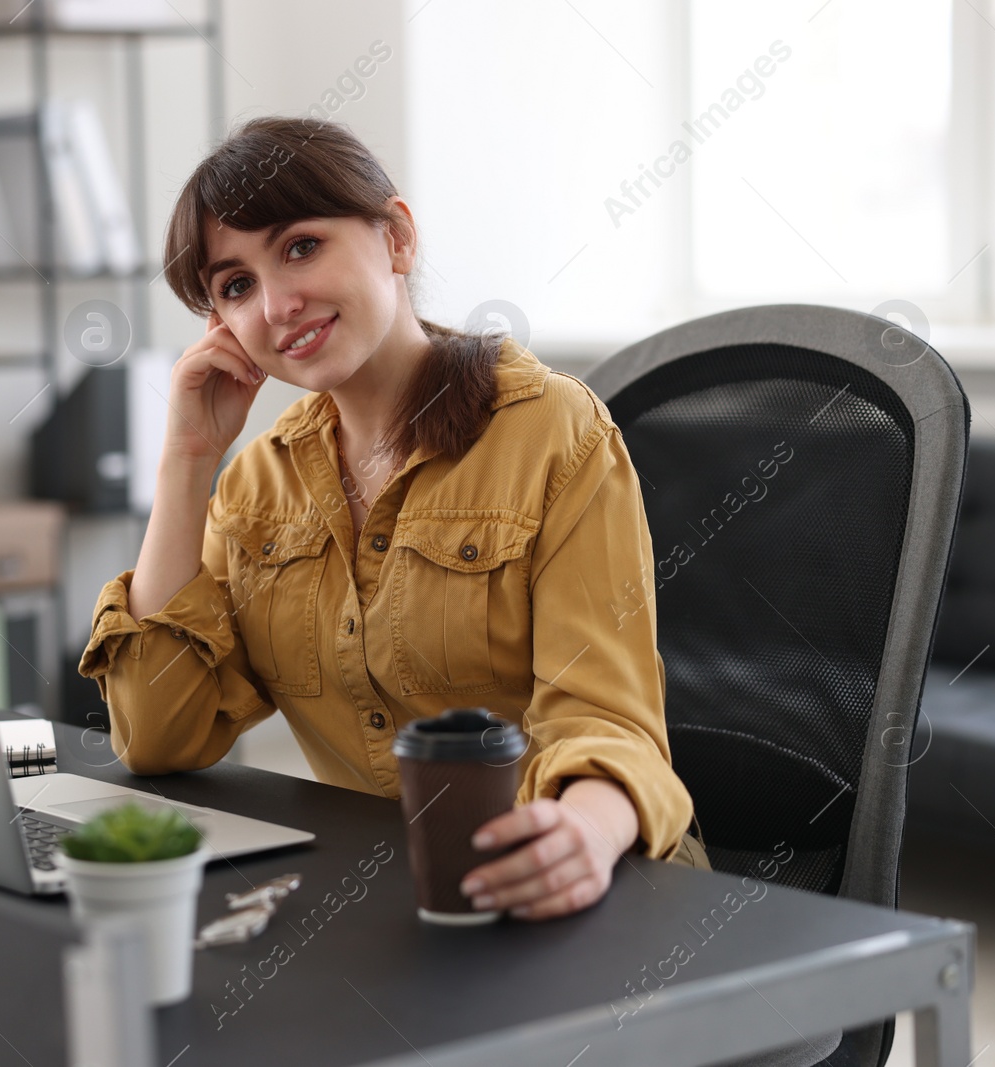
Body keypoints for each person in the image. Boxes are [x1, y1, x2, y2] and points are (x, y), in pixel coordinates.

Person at [79, 115, 707, 921]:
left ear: (396, 239)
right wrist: (187, 460)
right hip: (395, 905)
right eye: (235, 285)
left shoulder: (554, 430)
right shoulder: (256, 485)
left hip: (595, 891)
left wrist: (581, 832)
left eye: (301, 245)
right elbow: (160, 736)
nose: (276, 303)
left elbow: (607, 719)